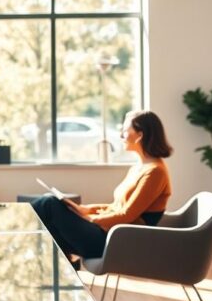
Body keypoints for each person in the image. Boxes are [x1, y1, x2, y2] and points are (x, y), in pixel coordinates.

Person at [31, 110, 173, 263]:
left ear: (140, 135)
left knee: (48, 204)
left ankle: (61, 262)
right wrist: (85, 209)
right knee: (50, 204)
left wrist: (90, 219)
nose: (120, 136)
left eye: (125, 131)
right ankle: (66, 264)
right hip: (108, 233)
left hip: (118, 242)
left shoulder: (155, 172)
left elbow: (127, 215)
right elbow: (117, 206)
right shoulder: (139, 167)